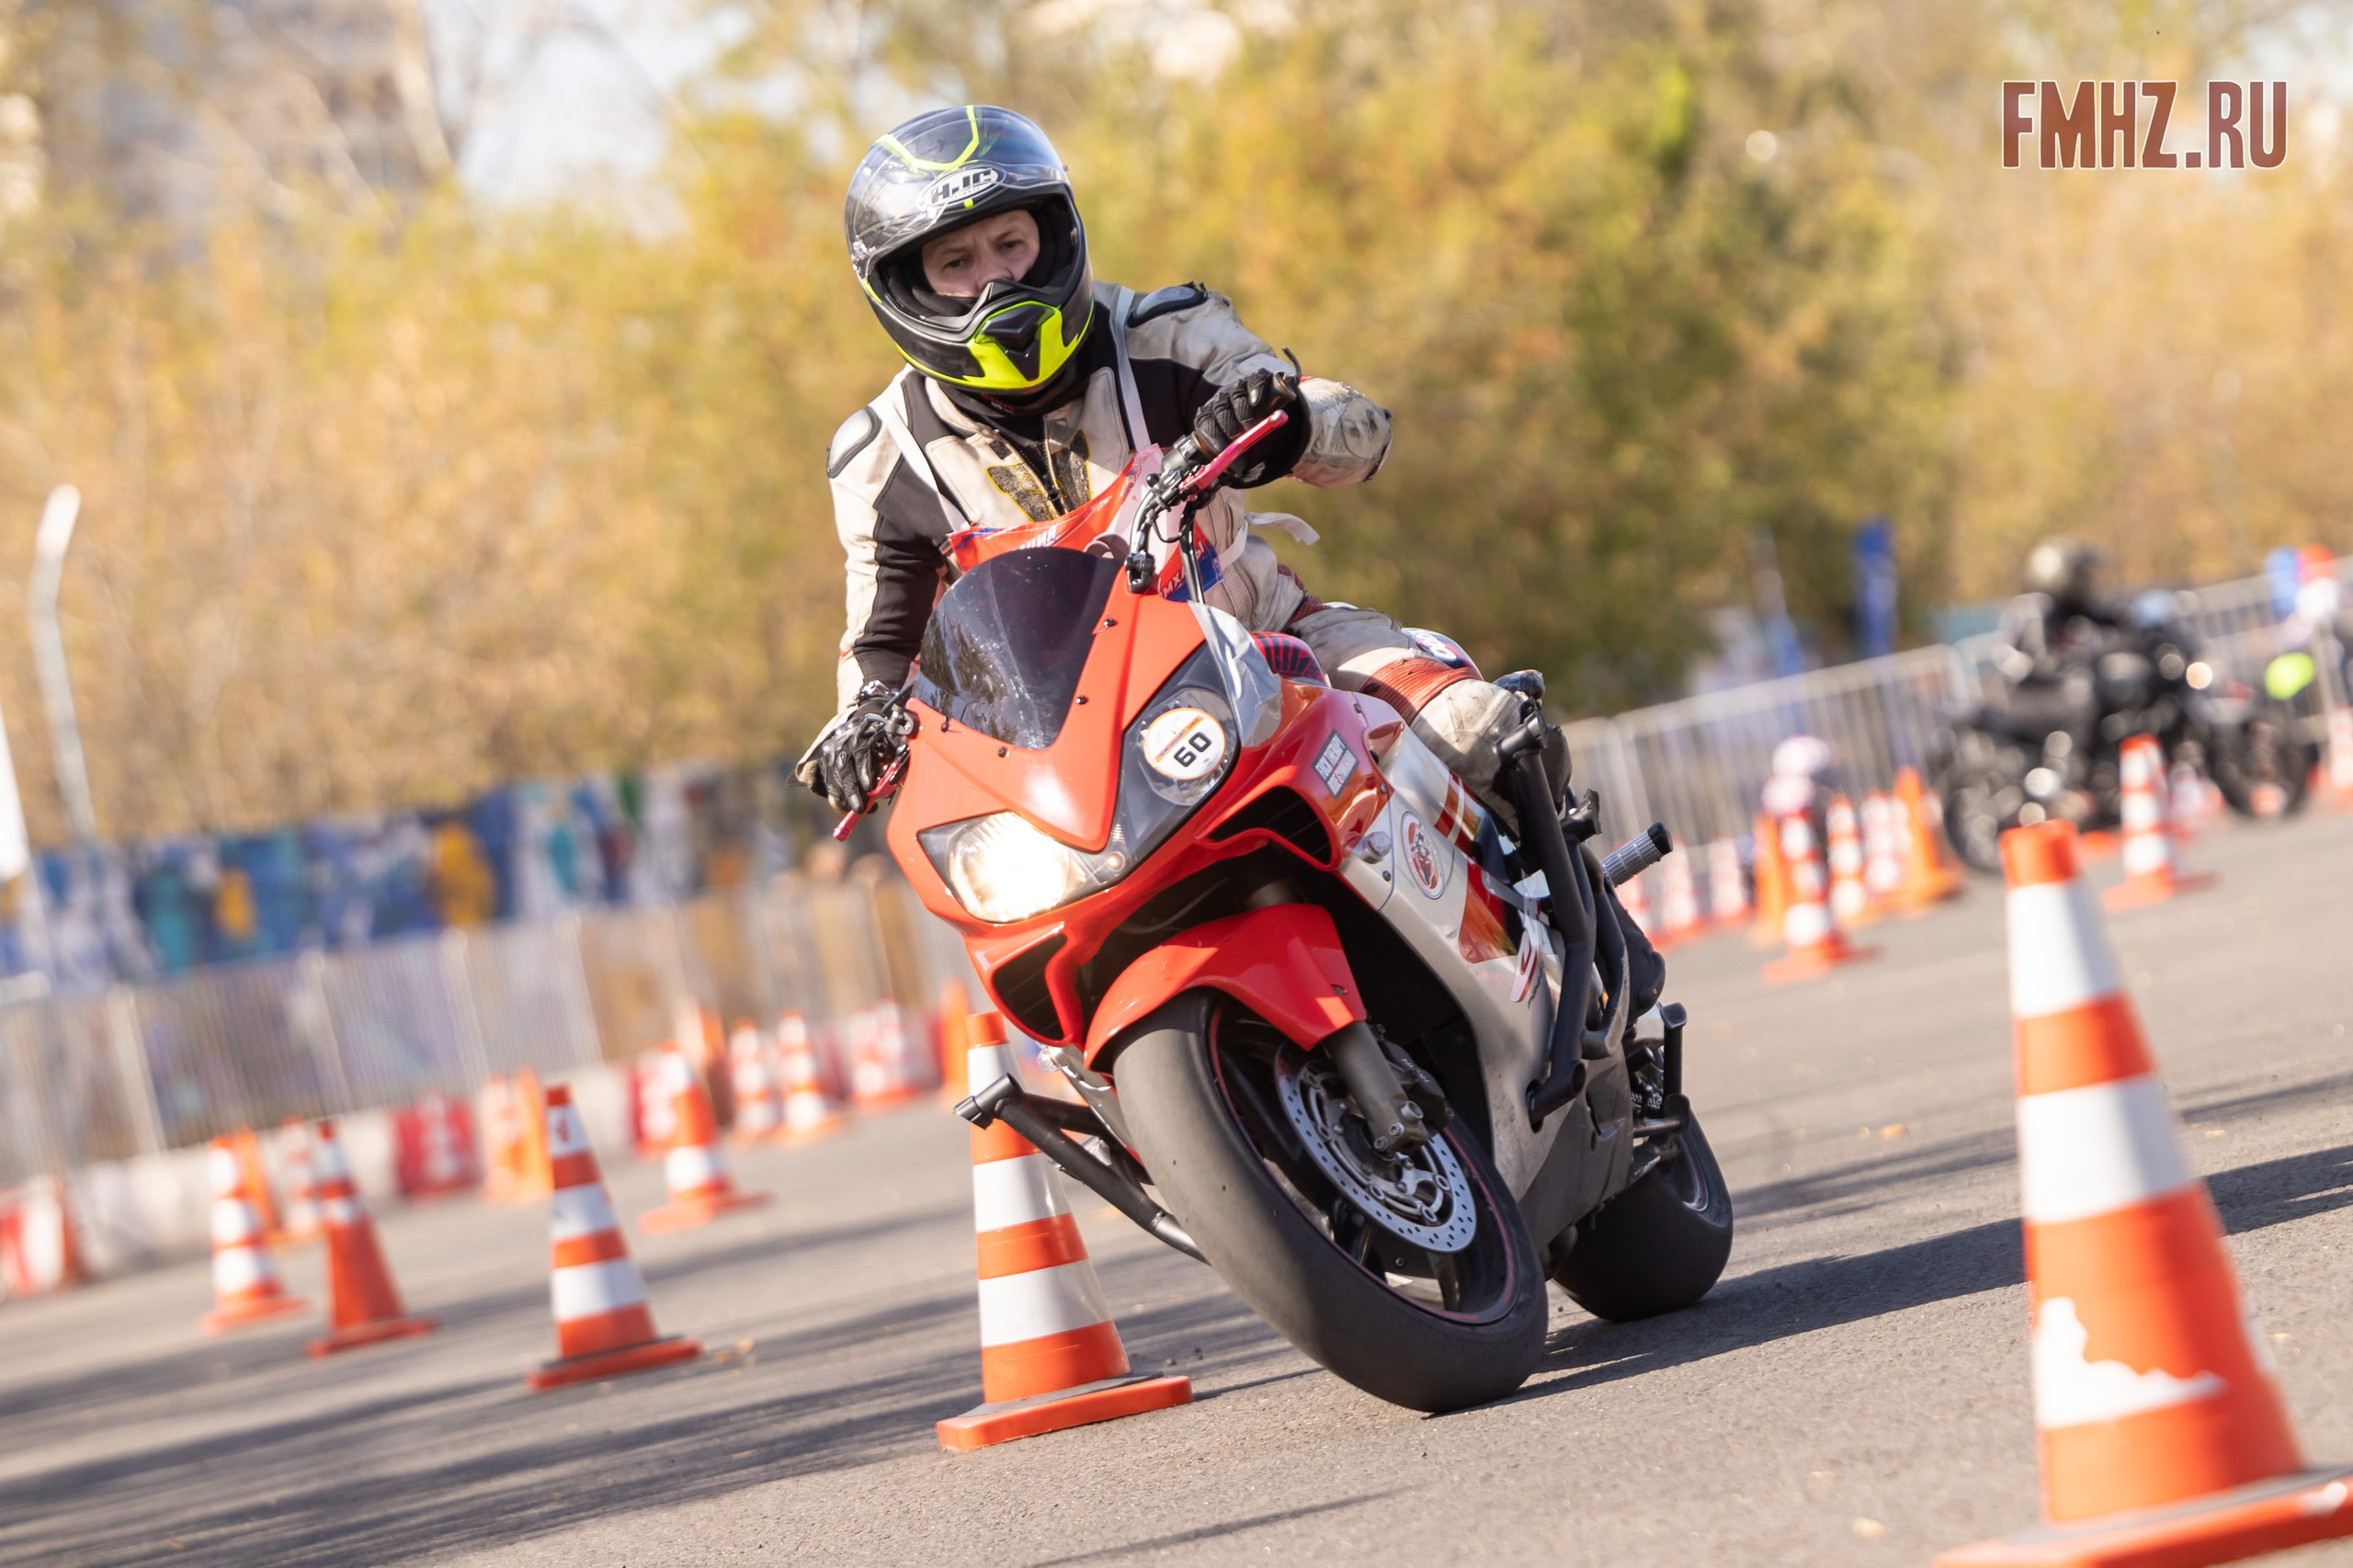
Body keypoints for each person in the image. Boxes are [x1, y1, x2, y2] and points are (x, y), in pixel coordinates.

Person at [794, 105, 1568, 836]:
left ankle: (1591, 931)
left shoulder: (1169, 336)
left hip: (1273, 646)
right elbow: (879, 643)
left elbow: (1361, 433)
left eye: (1011, 244)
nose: (995, 281)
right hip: (1070, 758)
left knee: (1478, 733)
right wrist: (858, 727)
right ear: (905, 288)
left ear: (1056, 239)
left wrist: (1291, 424)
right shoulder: (882, 461)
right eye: (955, 262)